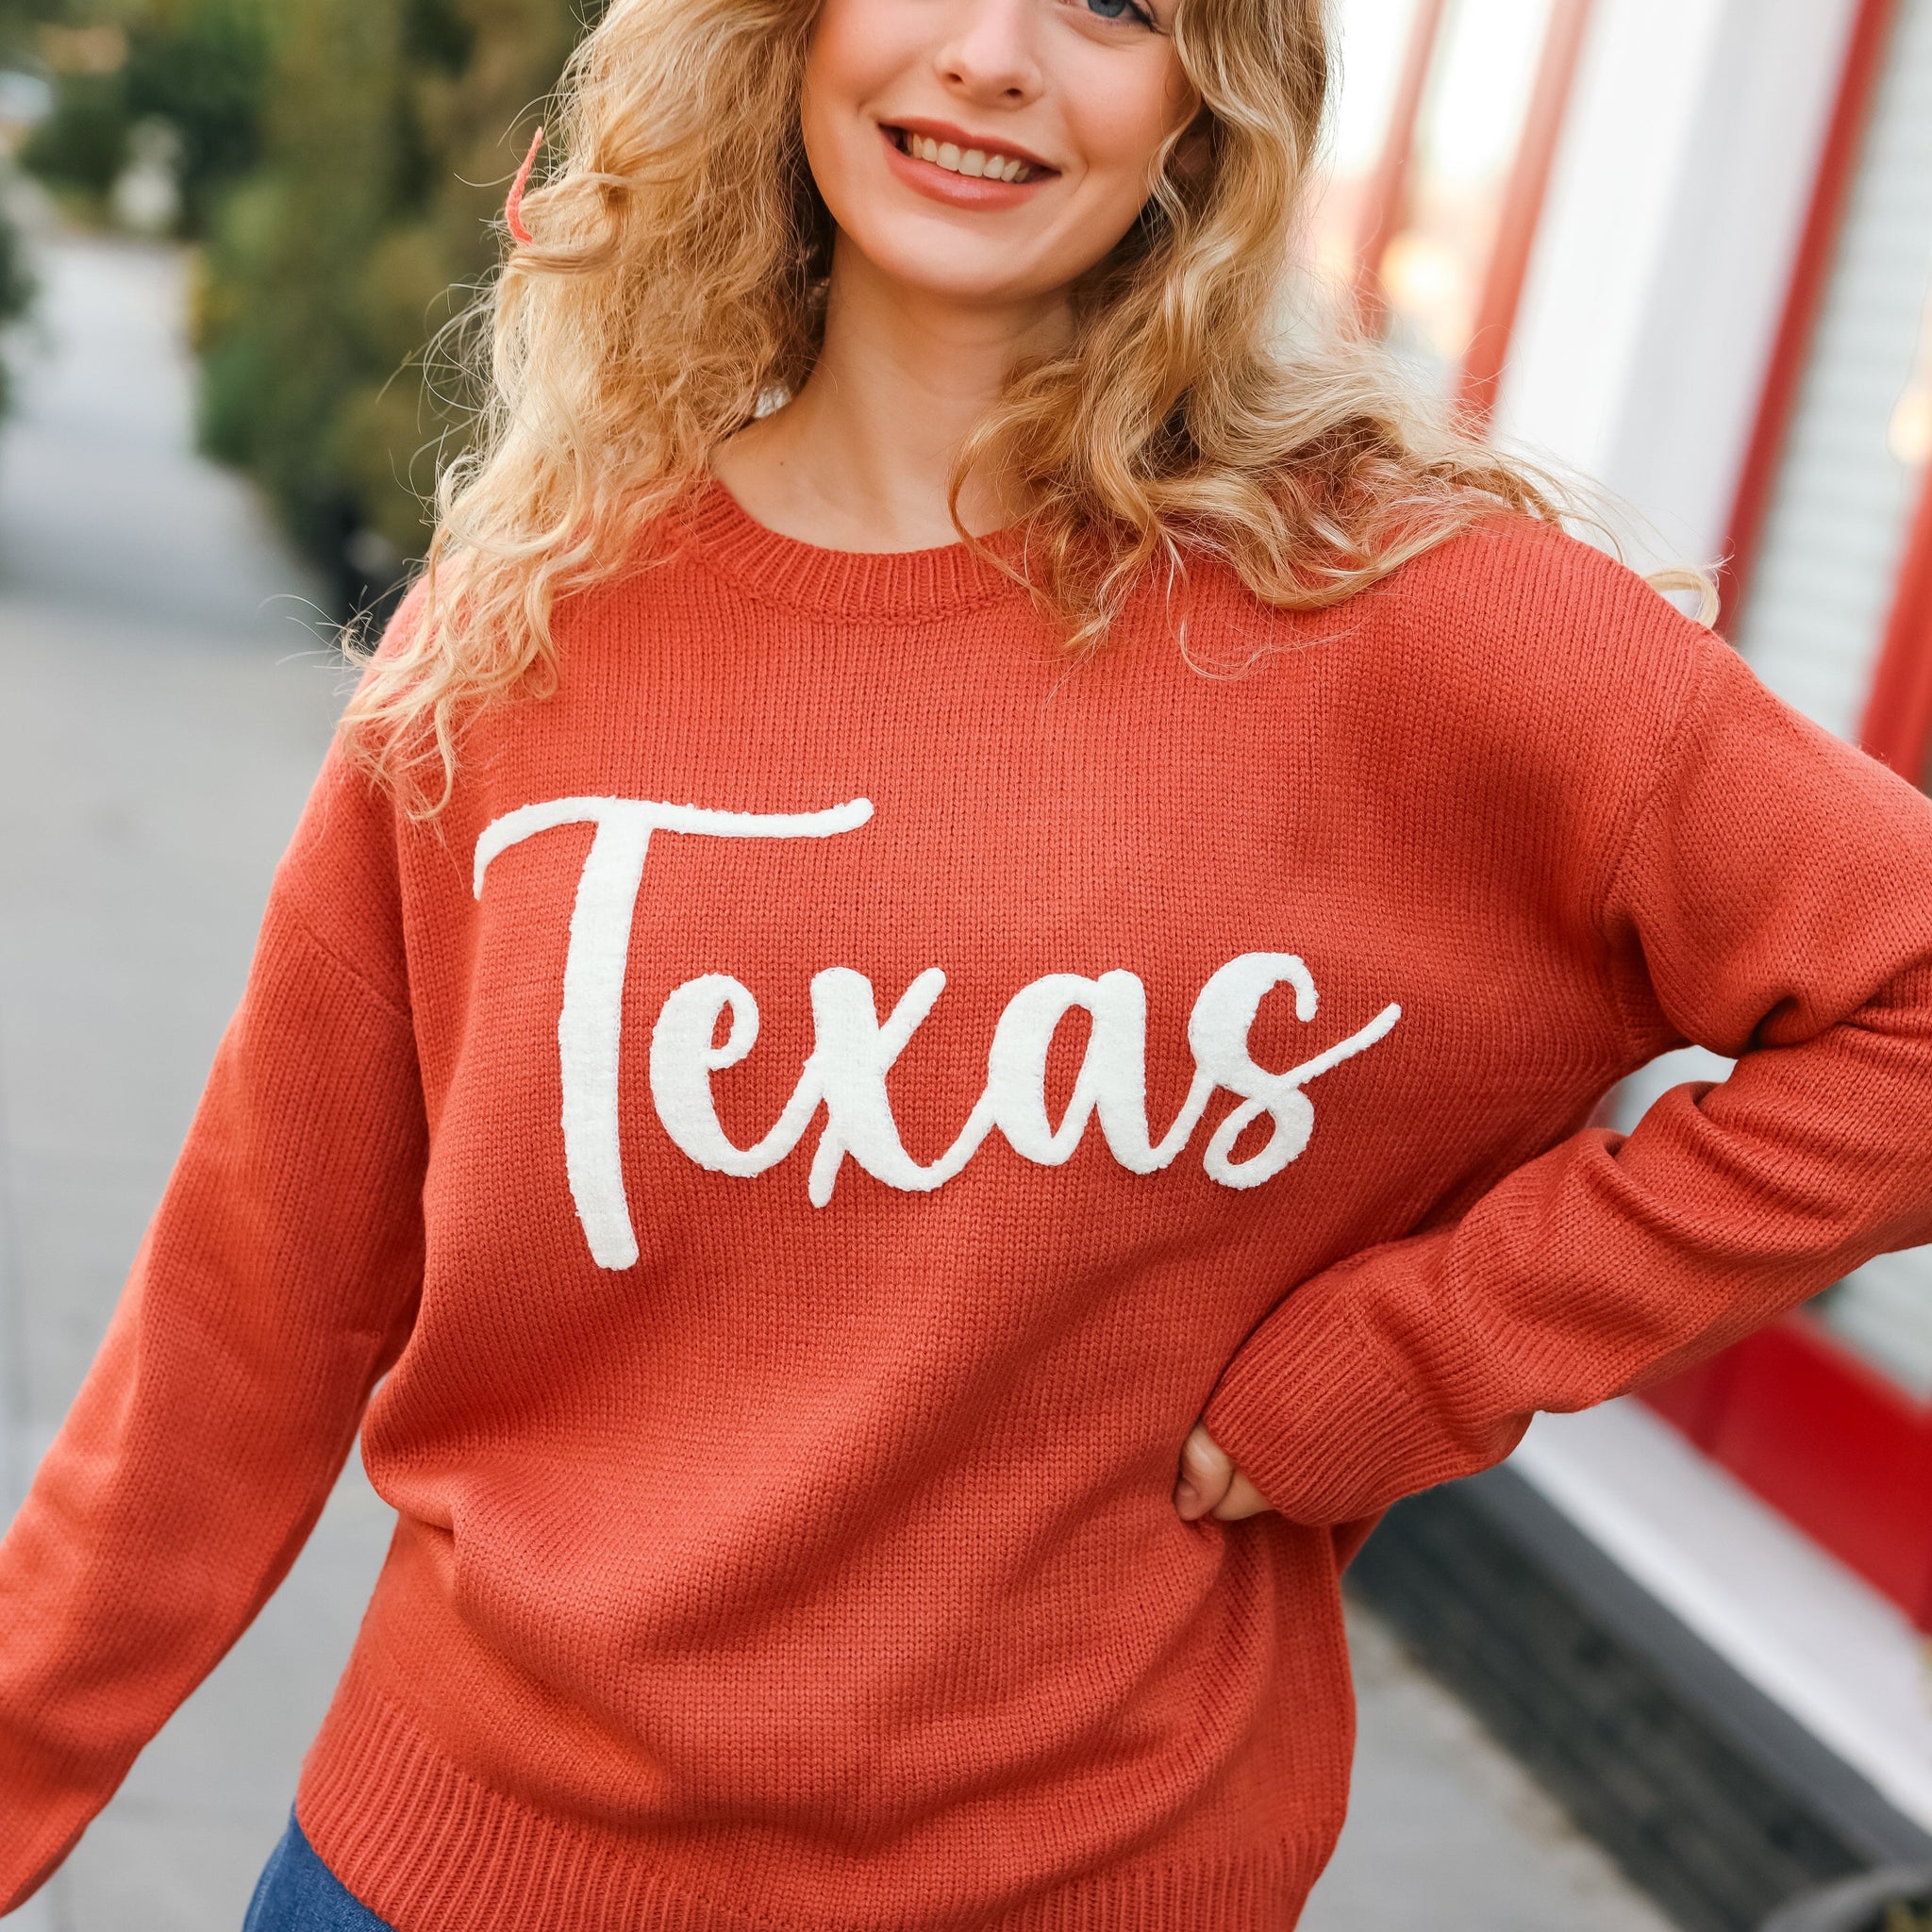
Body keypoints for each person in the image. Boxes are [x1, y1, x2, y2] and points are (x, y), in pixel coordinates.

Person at [7, 0, 1932, 1923]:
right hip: (440, 1875)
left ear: (1210, 95)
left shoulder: (1414, 627)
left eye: (1112, 7)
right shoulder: (530, 616)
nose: (992, 57)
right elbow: (245, 1313)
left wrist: (1426, 1352)